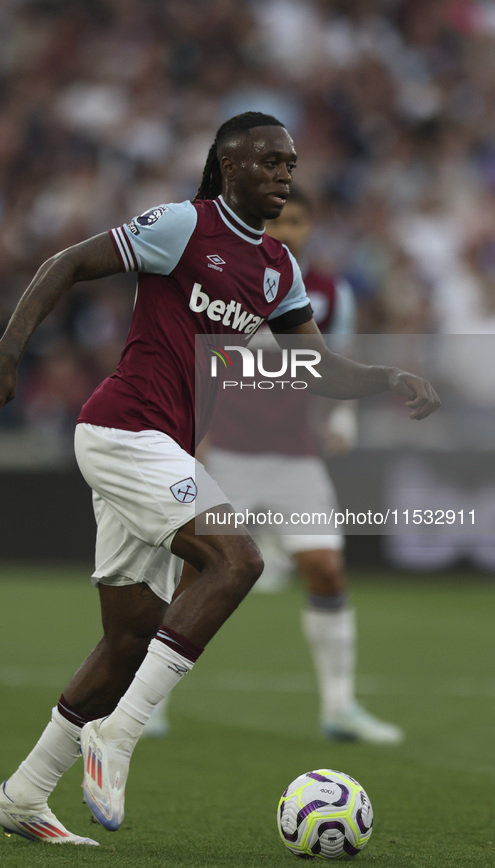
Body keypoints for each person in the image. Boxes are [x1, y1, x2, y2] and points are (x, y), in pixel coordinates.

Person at [0, 111, 440, 845]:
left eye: (290, 163)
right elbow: (65, 264)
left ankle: (22, 794)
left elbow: (321, 368)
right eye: (270, 162)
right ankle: (118, 736)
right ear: (228, 165)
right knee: (235, 559)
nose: (284, 175)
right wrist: (5, 356)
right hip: (121, 429)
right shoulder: (184, 225)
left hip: (162, 445)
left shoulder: (278, 269)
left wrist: (387, 376)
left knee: (129, 638)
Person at [148, 187, 402, 744]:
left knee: (327, 571)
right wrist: (195, 435)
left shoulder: (330, 293)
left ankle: (339, 708)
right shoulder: (227, 277)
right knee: (195, 576)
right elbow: (198, 357)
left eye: (298, 221)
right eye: (279, 220)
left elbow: (336, 362)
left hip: (294, 459)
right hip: (228, 456)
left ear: (312, 228)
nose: (287, 230)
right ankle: (149, 704)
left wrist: (344, 422)